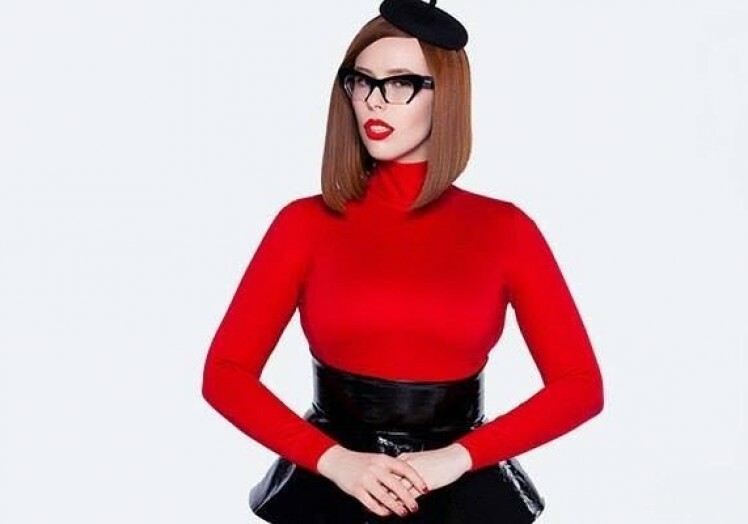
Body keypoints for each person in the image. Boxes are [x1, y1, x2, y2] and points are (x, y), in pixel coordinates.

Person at [201, 1, 604, 522]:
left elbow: (579, 385)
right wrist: (336, 462)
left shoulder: (506, 230)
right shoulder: (303, 224)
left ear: (447, 95)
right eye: (362, 81)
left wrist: (457, 458)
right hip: (327, 488)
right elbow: (225, 373)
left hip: (462, 489)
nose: (374, 100)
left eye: (400, 83)